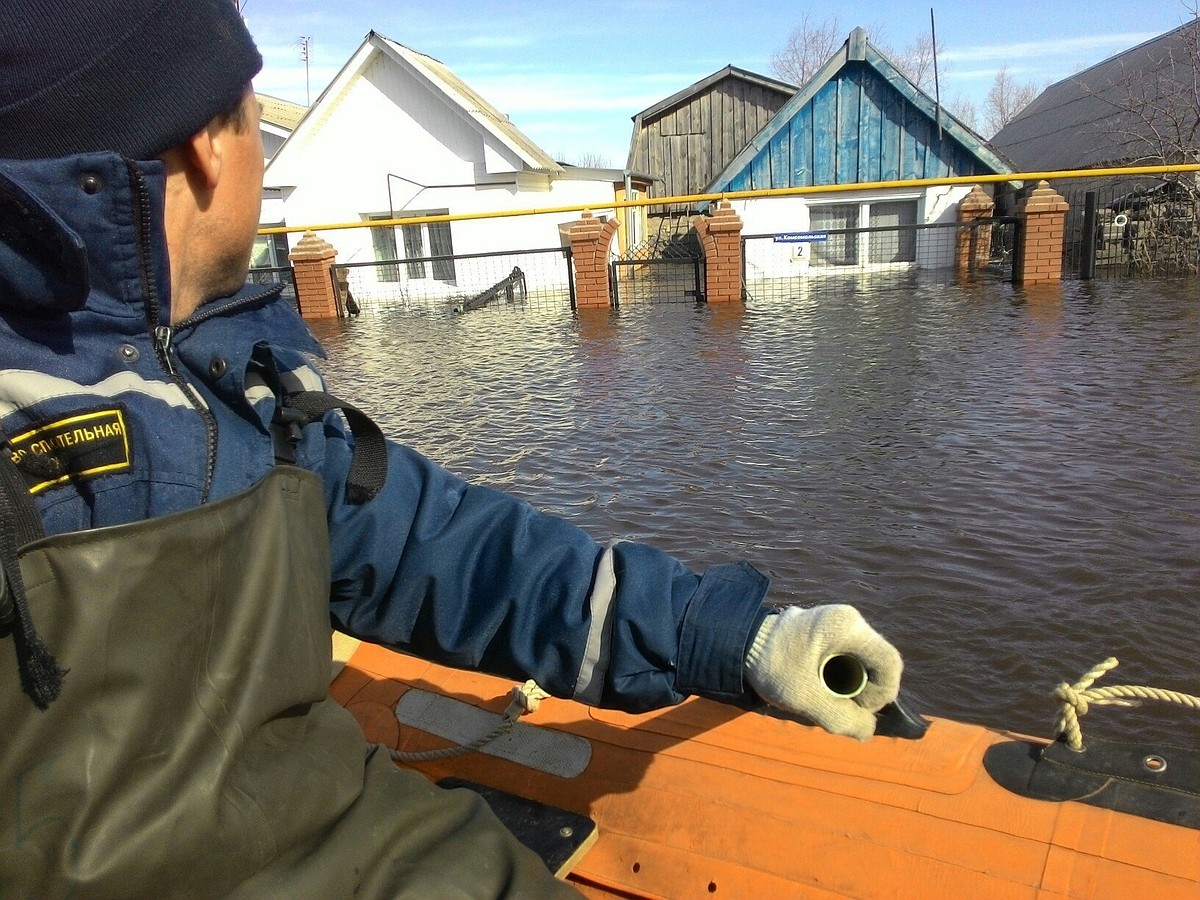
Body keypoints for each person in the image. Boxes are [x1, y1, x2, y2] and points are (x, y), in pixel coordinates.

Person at [0, 1, 903, 896]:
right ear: (211, 146)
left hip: (328, 823)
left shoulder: (228, 380)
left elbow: (436, 546)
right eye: (251, 118)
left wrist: (729, 635)